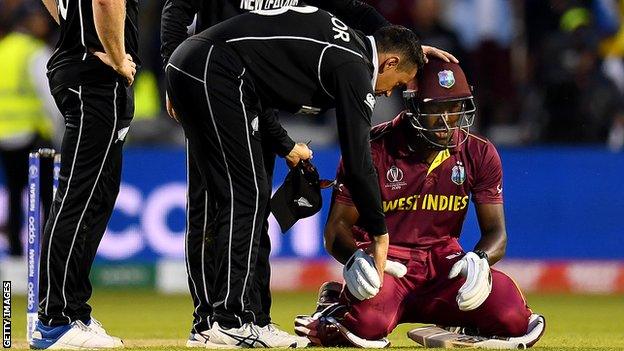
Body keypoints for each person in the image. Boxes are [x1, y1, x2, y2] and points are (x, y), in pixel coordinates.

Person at [160, 1, 456, 346]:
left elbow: (254, 88)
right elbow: (359, 160)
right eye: (398, 81)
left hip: (202, 66)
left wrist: (286, 145)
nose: (389, 91)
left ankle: (218, 322)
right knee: (245, 196)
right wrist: (379, 233)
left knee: (231, 198)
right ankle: (230, 320)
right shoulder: (354, 65)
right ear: (388, 62)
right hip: (211, 69)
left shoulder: (346, 46)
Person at [294, 58, 545, 348]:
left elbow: (497, 234)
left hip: (443, 265)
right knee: (369, 327)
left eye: (455, 108)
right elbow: (337, 227)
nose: (447, 121)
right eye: (436, 109)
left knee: (514, 317)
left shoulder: (479, 152)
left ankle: (455, 318)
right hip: (386, 265)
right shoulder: (372, 148)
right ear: (412, 106)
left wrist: (480, 259)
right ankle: (335, 303)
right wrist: (355, 258)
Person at [31, 0, 138, 346]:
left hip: (82, 70)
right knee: (79, 197)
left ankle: (73, 312)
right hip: (94, 76)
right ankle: (56, 319)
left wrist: (69, 21)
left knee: (96, 197)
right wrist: (118, 56)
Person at [0, 1, 56, 258]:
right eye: (38, 19)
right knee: (45, 194)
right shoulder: (34, 52)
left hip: (5, 134)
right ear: (27, 21)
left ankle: (14, 251)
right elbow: (49, 95)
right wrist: (60, 129)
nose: (44, 23)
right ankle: (46, 251)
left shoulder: (3, 50)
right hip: (34, 134)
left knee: (14, 192)